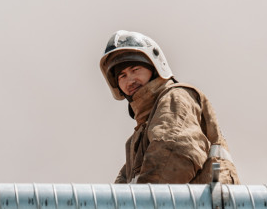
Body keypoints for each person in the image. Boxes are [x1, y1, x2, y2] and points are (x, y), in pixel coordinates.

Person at [100, 30, 239, 185]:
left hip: (204, 201)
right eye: (122, 76)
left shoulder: (175, 98)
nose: (130, 80)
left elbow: (172, 153)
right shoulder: (137, 139)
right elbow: (122, 188)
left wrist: (142, 200)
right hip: (184, 201)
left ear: (155, 68)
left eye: (135, 70)